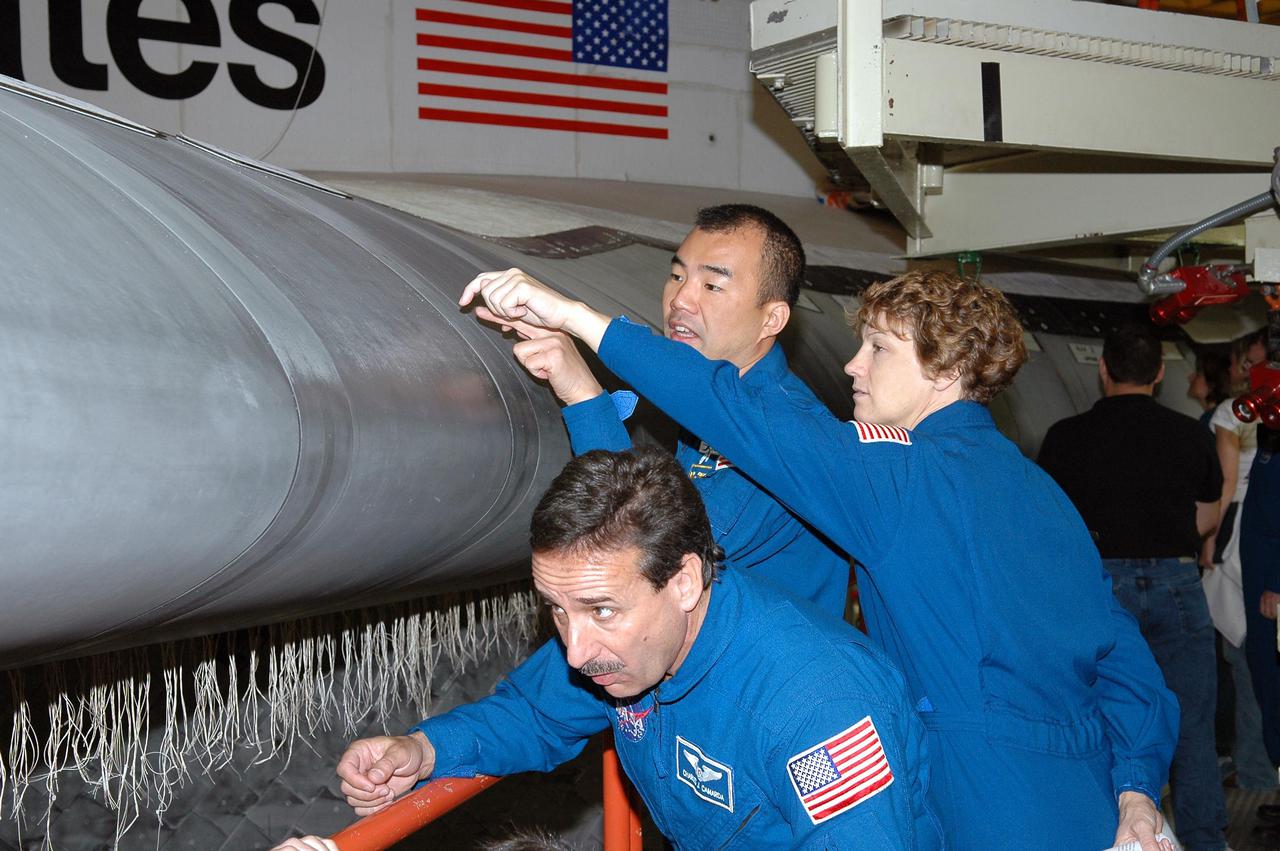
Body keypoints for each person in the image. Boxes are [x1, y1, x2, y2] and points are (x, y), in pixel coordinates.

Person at [460, 266, 1179, 851]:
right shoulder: (1041, 489)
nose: (851, 364)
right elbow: (1124, 659)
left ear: (949, 368)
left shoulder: (900, 478)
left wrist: (578, 319)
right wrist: (1138, 786)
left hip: (976, 809)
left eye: (879, 349)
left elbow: (734, 416)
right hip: (1087, 802)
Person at [301, 448, 942, 849]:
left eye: (600, 610)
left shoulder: (817, 704)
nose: (577, 651)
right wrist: (422, 751)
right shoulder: (622, 643)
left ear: (685, 580)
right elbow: (534, 712)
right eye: (556, 609)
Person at [502, 204, 850, 616]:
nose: (680, 299)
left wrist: (576, 319)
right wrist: (582, 390)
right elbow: (643, 508)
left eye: (712, 286)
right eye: (677, 275)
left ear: (771, 318)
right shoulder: (718, 405)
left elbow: (652, 558)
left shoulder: (787, 429)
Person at [1038, 325, 1225, 851]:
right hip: (1177, 584)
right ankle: (1205, 840)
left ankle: (1114, 829)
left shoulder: (1064, 437)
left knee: (1099, 719)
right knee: (1191, 724)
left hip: (1099, 590)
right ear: (1160, 373)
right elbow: (1206, 518)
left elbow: (1053, 527)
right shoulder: (1191, 434)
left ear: (1103, 369)